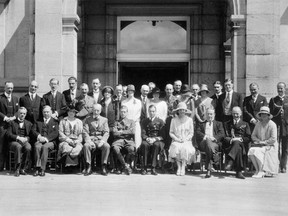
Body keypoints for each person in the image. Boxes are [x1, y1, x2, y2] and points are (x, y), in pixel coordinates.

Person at [248, 106, 279, 178]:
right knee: (251, 150)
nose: (263, 115)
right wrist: (258, 141)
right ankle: (257, 170)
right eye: (262, 114)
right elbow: (253, 135)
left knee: (258, 151)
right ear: (260, 115)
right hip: (260, 145)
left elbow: (273, 139)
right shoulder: (258, 124)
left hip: (270, 146)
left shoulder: (272, 124)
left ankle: (261, 171)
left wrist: (263, 142)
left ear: (268, 115)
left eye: (265, 114)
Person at [196, 108, 225, 178]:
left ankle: (208, 169)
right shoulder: (201, 124)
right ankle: (215, 158)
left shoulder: (219, 124)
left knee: (209, 145)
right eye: (208, 114)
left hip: (214, 143)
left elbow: (222, 133)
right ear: (205, 115)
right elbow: (197, 132)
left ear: (214, 115)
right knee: (208, 141)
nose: (209, 116)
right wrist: (205, 137)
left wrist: (214, 138)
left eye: (211, 114)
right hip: (204, 143)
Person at [223, 106, 251, 179]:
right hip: (230, 145)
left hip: (242, 144)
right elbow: (225, 136)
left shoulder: (245, 124)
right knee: (238, 147)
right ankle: (238, 172)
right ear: (231, 114)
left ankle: (230, 161)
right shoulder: (227, 123)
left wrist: (241, 139)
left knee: (238, 144)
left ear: (241, 114)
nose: (235, 115)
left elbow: (248, 137)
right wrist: (232, 140)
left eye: (237, 113)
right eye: (234, 113)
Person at [82, 104, 110, 176]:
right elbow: (85, 132)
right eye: (94, 110)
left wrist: (102, 141)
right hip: (91, 139)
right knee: (86, 145)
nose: (96, 112)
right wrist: (89, 141)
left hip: (100, 140)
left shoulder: (104, 120)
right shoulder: (87, 119)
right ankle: (89, 166)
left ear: (100, 111)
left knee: (107, 146)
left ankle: (103, 166)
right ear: (92, 110)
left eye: (98, 110)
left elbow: (106, 132)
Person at [169, 102, 196, 176]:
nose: (182, 112)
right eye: (180, 110)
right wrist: (177, 139)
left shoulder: (189, 120)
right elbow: (171, 132)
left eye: (183, 110)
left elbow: (191, 133)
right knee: (175, 147)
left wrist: (185, 139)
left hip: (186, 140)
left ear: (185, 111)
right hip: (176, 140)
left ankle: (183, 166)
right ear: (177, 111)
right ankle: (179, 166)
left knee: (185, 148)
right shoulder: (173, 120)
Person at [33, 105, 59, 177]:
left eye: (47, 112)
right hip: (40, 140)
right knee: (37, 146)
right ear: (42, 112)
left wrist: (45, 139)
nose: (46, 113)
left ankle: (42, 169)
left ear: (51, 112)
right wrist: (39, 136)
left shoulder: (55, 121)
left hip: (50, 142)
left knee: (45, 147)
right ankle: (37, 168)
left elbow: (55, 133)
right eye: (44, 112)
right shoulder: (38, 121)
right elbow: (33, 130)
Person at [6, 107, 33, 176]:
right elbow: (8, 134)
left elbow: (30, 135)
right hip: (14, 142)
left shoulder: (29, 123)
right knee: (18, 146)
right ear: (18, 114)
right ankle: (17, 169)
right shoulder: (12, 122)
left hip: (24, 141)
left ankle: (22, 168)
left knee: (28, 147)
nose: (22, 115)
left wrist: (26, 139)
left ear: (26, 114)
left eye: (24, 113)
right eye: (21, 113)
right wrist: (18, 138)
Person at [140, 105, 165, 175]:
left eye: (153, 111)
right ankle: (144, 167)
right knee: (144, 144)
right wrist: (147, 138)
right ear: (148, 112)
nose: (152, 113)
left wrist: (154, 139)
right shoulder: (144, 121)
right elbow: (143, 133)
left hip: (157, 140)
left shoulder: (160, 121)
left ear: (156, 112)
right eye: (150, 111)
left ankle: (153, 168)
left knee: (156, 145)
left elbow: (163, 135)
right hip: (148, 139)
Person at [269, 82, 288, 173]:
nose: (280, 90)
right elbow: (271, 114)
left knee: (285, 147)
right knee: (275, 146)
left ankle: (283, 166)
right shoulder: (273, 100)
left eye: (281, 88)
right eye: (278, 88)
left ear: (285, 88)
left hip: (286, 127)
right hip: (276, 127)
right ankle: (275, 165)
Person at [111, 105, 136, 175]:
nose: (123, 113)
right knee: (115, 148)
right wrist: (127, 131)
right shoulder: (116, 122)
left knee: (131, 149)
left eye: (124, 112)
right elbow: (115, 133)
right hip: (118, 140)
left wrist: (121, 132)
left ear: (127, 113)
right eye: (121, 112)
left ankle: (126, 164)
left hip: (129, 140)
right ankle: (125, 165)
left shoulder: (131, 122)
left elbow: (132, 132)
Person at [0, 81, 18, 171]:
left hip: (12, 125)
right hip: (2, 126)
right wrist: (5, 117)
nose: (10, 90)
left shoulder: (15, 98)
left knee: (11, 144)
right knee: (2, 145)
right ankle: (0, 166)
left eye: (11, 88)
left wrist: (14, 116)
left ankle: (9, 166)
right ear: (4, 88)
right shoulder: (0, 98)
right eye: (8, 88)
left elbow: (18, 111)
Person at [122, 84, 142, 148]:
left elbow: (139, 113)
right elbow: (124, 113)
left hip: (136, 123)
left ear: (134, 92)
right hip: (126, 124)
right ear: (127, 92)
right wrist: (128, 123)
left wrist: (134, 121)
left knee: (137, 140)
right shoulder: (124, 102)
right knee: (127, 140)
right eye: (129, 91)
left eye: (132, 91)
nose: (130, 92)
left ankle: (137, 155)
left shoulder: (138, 101)